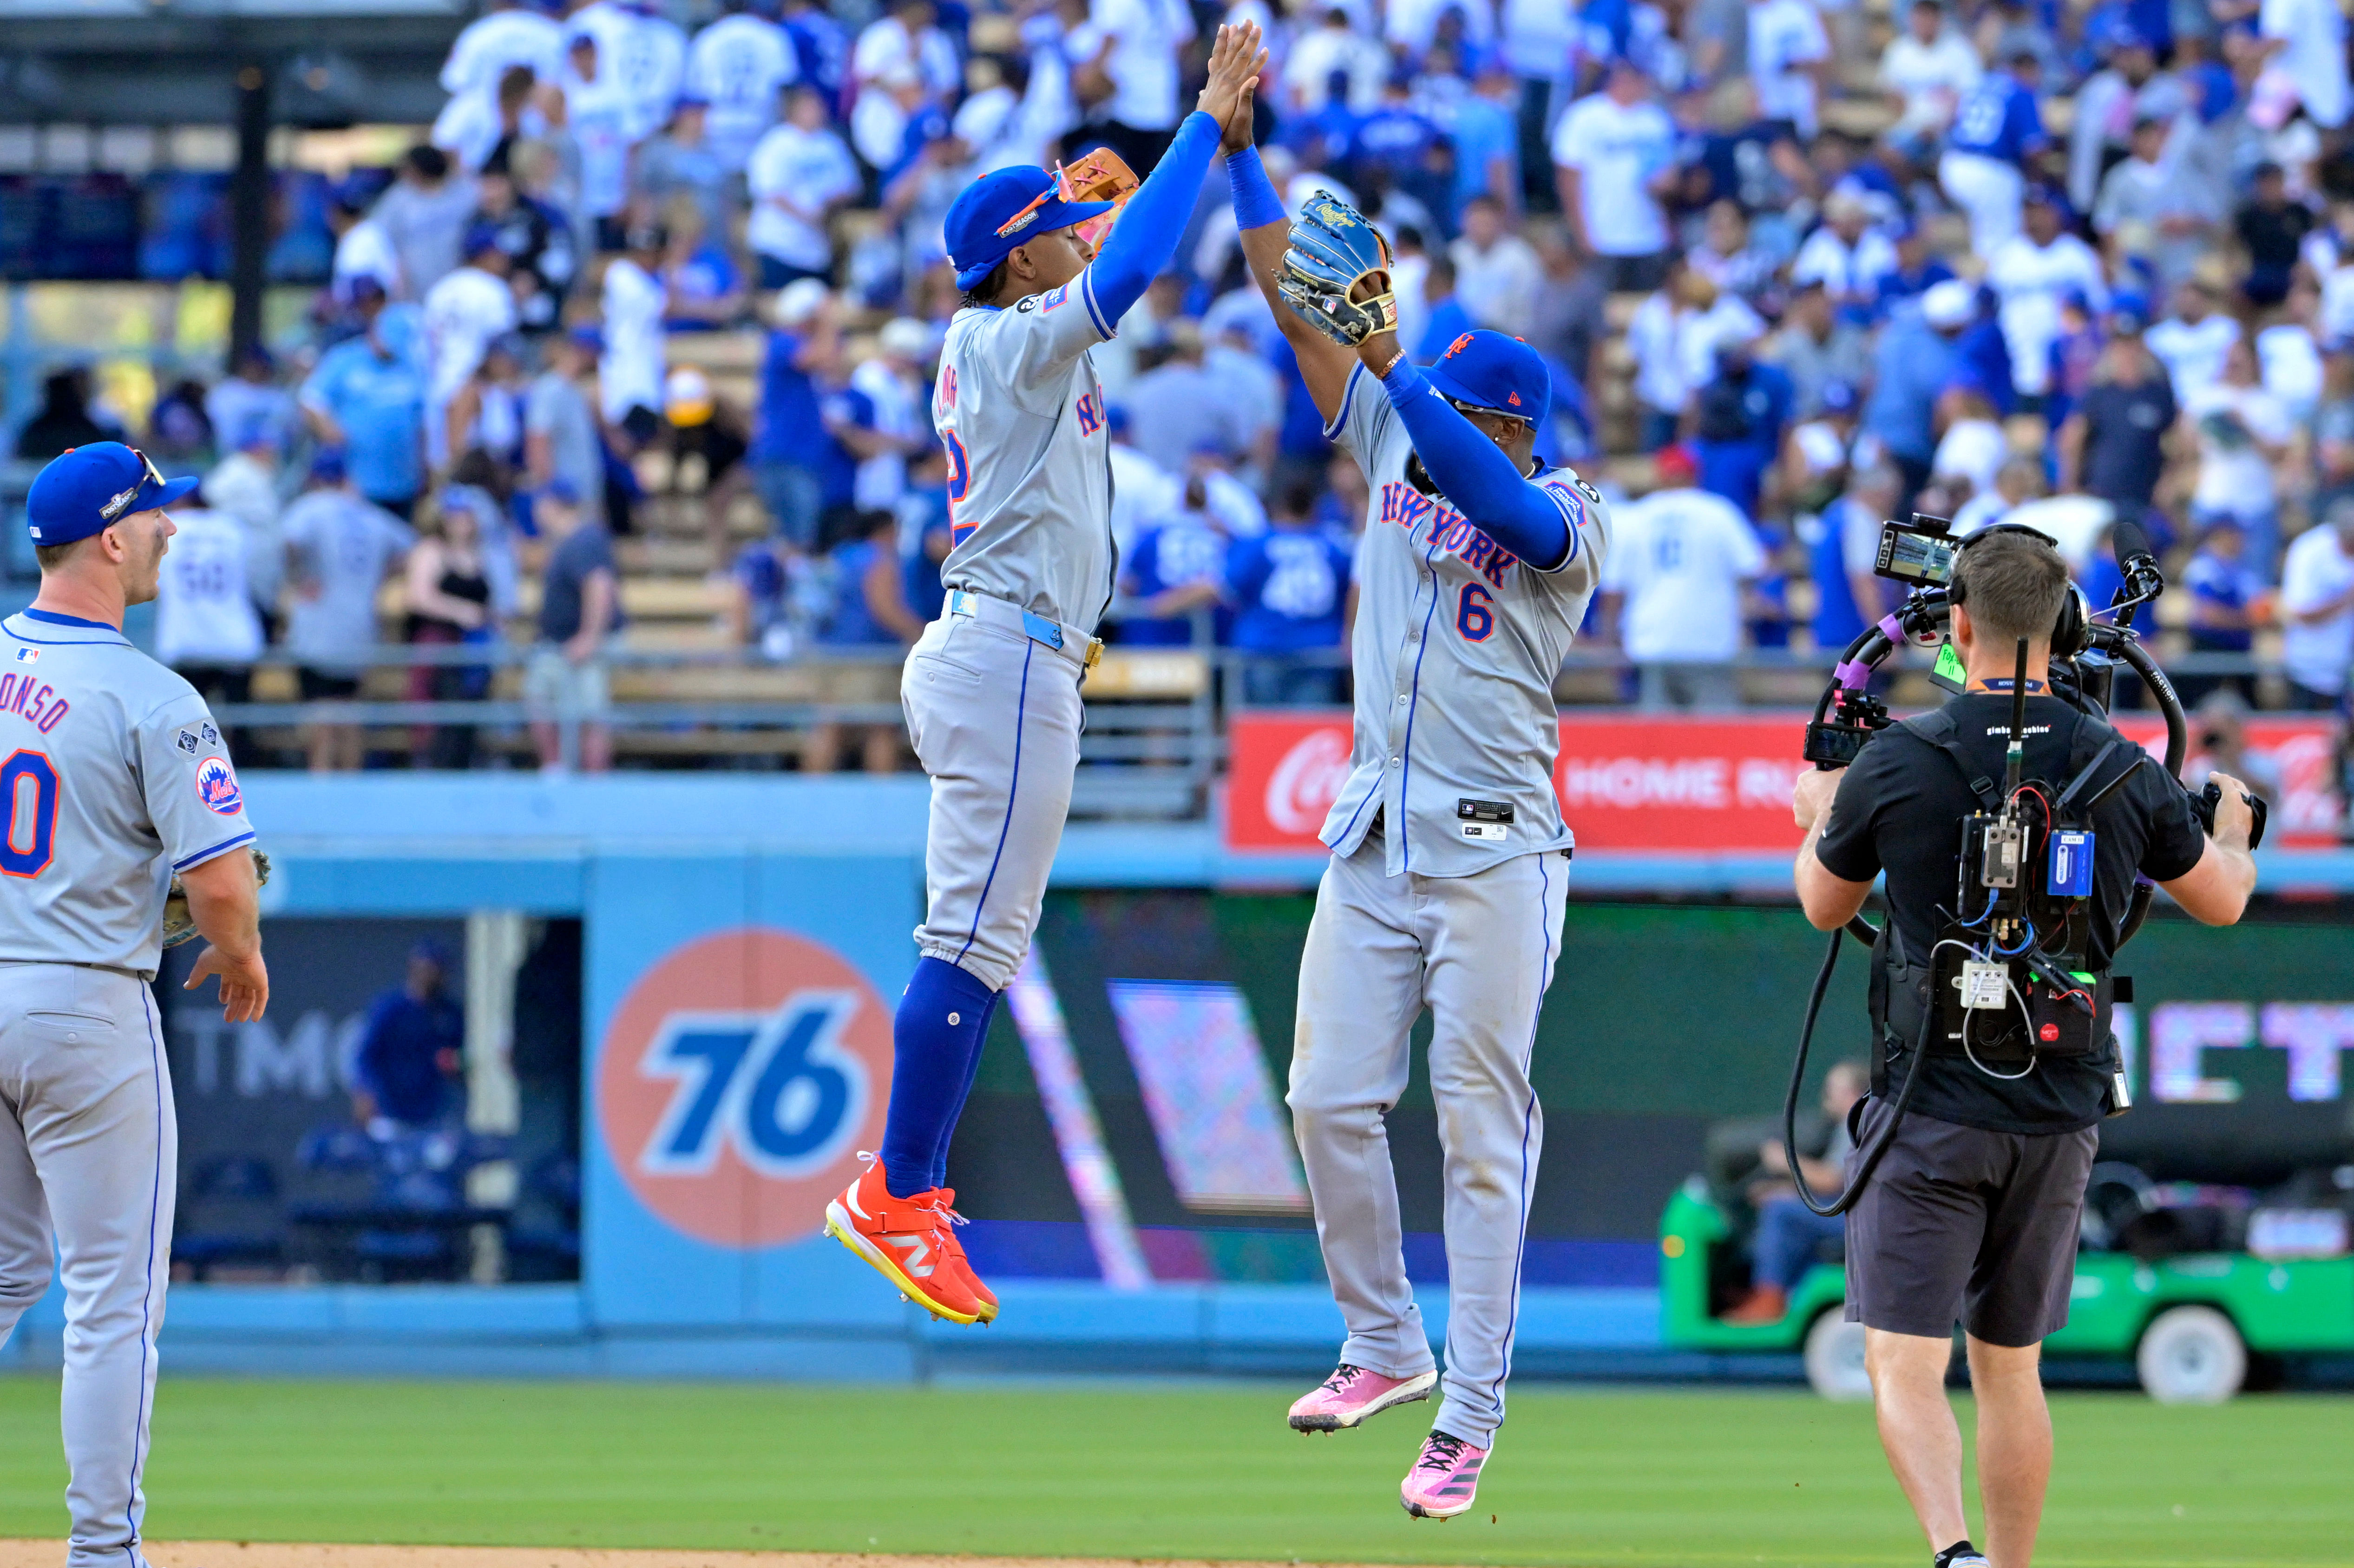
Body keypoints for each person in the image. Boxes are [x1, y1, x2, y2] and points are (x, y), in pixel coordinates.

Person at [820, 24, 1267, 1332]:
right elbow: (1120, 269)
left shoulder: (1008, 331)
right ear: (1022, 253)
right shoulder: (1010, 341)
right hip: (1006, 651)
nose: (1077, 230)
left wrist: (1109, 180)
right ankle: (900, 1195)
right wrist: (1196, 127)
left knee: (975, 939)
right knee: (970, 941)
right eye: (1054, 225)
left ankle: (906, 1188)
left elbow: (1102, 238)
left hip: (1010, 648)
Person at [1231, 166, 1612, 1517]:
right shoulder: (1400, 428)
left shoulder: (1568, 513)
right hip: (1374, 831)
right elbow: (1300, 309)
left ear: (1508, 418)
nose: (1422, 399)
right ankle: (1387, 1340)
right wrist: (1236, 153)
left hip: (1502, 853)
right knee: (1326, 1097)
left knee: (1479, 1138)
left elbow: (1496, 506)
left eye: (1458, 394)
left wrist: (1403, 368)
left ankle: (1467, 1416)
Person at [1792, 528, 2255, 1568]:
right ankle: (2005, 1566)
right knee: (2011, 1367)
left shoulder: (1895, 756)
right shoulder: (2123, 769)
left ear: (1956, 624)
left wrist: (1814, 811)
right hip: (2057, 1114)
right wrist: (2230, 828)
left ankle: (1951, 1551)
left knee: (1904, 1362)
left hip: (1924, 1107)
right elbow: (2220, 900)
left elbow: (1823, 906)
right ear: (2066, 628)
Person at [0, 442, 269, 1568]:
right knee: (111, 1297)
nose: (170, 529)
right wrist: (239, 955)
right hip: (83, 1004)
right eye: (157, 513)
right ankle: (103, 1551)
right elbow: (219, 881)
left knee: (7, 1269)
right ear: (111, 538)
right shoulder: (154, 694)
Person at [280, 451, 417, 772]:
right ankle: (350, 781)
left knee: (320, 712)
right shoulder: (369, 514)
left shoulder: (312, 508)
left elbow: (289, 542)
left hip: (318, 624)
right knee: (350, 710)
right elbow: (412, 549)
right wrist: (379, 576)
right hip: (359, 626)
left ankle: (322, 781)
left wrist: (299, 577)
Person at [1600, 448, 1767, 710]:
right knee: (1715, 740)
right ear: (1694, 477)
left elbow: (1612, 592)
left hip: (1651, 642)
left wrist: (1611, 644)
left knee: (1656, 744)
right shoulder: (1719, 512)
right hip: (1710, 642)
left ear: (1660, 477)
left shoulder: (1634, 517)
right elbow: (1753, 571)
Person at [1721, 1060, 1869, 1324]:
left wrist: (1785, 1161)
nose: (1827, 1099)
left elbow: (1834, 1181)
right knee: (1781, 1204)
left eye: (1832, 1091)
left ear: (1851, 1093)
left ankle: (1769, 1299)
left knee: (1780, 1212)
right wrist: (1785, 1190)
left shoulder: (1858, 1123)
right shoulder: (1850, 1124)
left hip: (1860, 1221)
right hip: (1851, 1212)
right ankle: (1767, 1290)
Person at [807, 510, 926, 774]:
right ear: (886, 530)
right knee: (880, 727)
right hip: (867, 657)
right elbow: (885, 609)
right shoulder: (879, 560)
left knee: (830, 725)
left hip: (828, 653)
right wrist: (922, 633)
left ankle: (811, 792)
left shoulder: (841, 556)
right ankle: (882, 795)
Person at [300, 280, 429, 520]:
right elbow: (311, 399)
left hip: (404, 482)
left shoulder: (411, 365)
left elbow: (422, 420)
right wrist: (331, 432)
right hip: (357, 481)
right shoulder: (345, 358)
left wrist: (426, 472)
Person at [1549, 58, 1679, 293]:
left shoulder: (1656, 120)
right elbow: (1568, 179)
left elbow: (1669, 177)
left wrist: (1666, 194)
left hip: (1649, 238)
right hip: (1603, 236)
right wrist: (1581, 234)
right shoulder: (1585, 116)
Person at [1226, 478, 1354, 704]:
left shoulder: (1258, 545)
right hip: (1319, 650)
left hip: (1266, 647)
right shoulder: (1335, 546)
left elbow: (1227, 588)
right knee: (1309, 731)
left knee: (1265, 731)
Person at [526, 480, 619, 771]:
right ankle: (557, 768)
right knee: (542, 701)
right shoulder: (567, 542)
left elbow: (600, 586)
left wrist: (590, 637)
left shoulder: (583, 540)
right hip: (560, 644)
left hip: (577, 646)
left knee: (590, 714)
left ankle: (591, 778)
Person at [404, 494, 496, 770]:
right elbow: (418, 597)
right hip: (439, 644)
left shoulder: (479, 555)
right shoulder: (431, 551)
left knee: (468, 712)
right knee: (438, 716)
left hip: (473, 649)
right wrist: (462, 612)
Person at [747, 85, 861, 291]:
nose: (817, 111)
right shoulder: (776, 143)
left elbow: (851, 187)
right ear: (792, 111)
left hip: (820, 248)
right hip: (780, 245)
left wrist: (830, 205)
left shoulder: (831, 143)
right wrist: (809, 216)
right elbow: (771, 192)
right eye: (809, 107)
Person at [1938, 48, 2047, 259]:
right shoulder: (2021, 91)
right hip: (1989, 173)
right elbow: (2035, 150)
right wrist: (2037, 185)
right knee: (1997, 250)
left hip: (1953, 164)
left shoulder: (1978, 84)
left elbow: (1951, 122)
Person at [353, 941, 466, 1130]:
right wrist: (365, 1093)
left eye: (438, 970)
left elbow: (459, 1057)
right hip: (391, 1108)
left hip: (433, 1112)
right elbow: (367, 1054)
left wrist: (458, 1067)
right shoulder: (391, 1008)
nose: (432, 976)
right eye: (427, 968)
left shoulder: (450, 1013)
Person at [2280, 500, 2354, 711]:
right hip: (2308, 667)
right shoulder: (2310, 551)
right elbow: (2300, 613)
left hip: (2346, 669)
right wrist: (2346, 600)